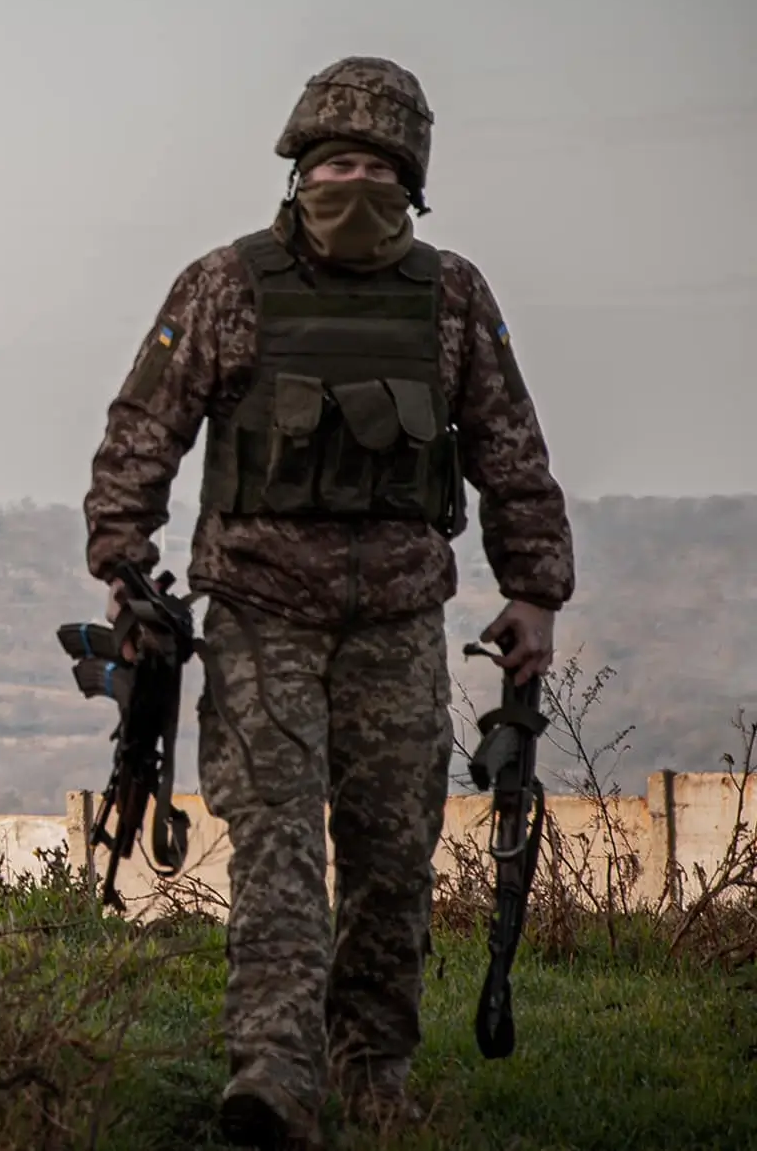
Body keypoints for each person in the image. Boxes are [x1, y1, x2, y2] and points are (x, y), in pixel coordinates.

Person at [80, 57, 575, 1149]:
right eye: (333, 162)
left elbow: (508, 447)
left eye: (374, 166)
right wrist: (123, 563)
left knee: (392, 852)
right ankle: (271, 1077)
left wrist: (534, 592)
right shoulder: (227, 284)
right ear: (297, 171)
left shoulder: (451, 297)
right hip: (258, 615)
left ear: (411, 181)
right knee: (275, 853)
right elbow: (142, 426)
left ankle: (373, 1073)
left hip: (397, 622)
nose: (352, 181)